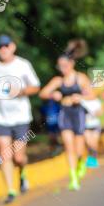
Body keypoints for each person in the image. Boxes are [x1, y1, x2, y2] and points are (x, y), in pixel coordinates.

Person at [0, 34, 40, 204]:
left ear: (13, 47)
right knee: (4, 152)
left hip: (21, 116)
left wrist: (19, 91)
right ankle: (11, 190)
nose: (3, 49)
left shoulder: (23, 64)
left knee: (19, 157)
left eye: (6, 46)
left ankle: (22, 173)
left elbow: (35, 86)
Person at [38, 40, 93, 191]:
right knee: (69, 147)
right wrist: (53, 95)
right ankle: (73, 178)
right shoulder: (58, 80)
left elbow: (92, 95)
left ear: (72, 64)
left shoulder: (80, 78)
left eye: (65, 65)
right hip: (65, 113)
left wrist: (80, 98)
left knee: (79, 149)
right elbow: (42, 93)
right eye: (60, 66)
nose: (62, 69)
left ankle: (82, 162)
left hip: (78, 113)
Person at [81, 93, 102, 168]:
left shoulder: (96, 101)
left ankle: (93, 159)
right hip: (86, 126)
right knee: (89, 143)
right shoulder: (82, 101)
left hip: (95, 125)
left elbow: (100, 112)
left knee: (94, 143)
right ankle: (91, 158)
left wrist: (95, 114)